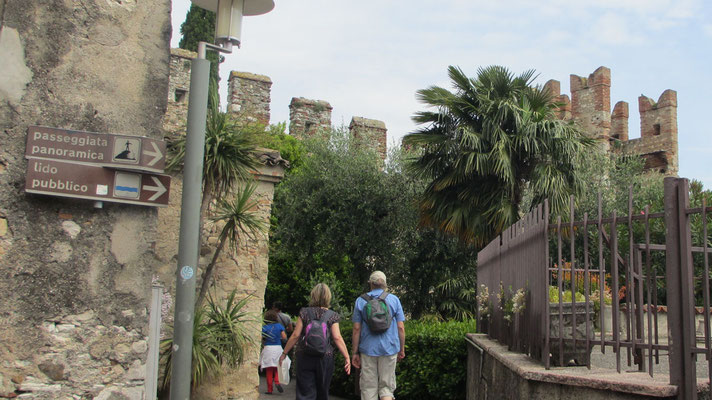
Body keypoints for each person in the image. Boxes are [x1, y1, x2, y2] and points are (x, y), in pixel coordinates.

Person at [279, 283, 351, 399]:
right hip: (325, 357)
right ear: (328, 297)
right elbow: (337, 337)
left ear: (313, 295)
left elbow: (295, 335)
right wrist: (347, 357)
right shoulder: (333, 315)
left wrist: (284, 353)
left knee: (305, 393)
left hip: (305, 355)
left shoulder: (304, 312)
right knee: (322, 392)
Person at [351, 271, 406, 400]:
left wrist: (354, 352)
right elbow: (401, 327)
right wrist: (401, 349)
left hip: (368, 349)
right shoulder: (394, 300)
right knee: (386, 389)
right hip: (389, 348)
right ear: (385, 284)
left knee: (369, 388)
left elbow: (356, 328)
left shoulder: (360, 301)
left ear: (370, 284)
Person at [260, 309, 287, 394]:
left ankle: (269, 390)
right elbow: (284, 337)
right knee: (277, 367)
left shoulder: (265, 327)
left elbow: (260, 338)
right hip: (278, 348)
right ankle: (277, 382)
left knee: (269, 369)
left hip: (268, 348)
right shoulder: (279, 326)